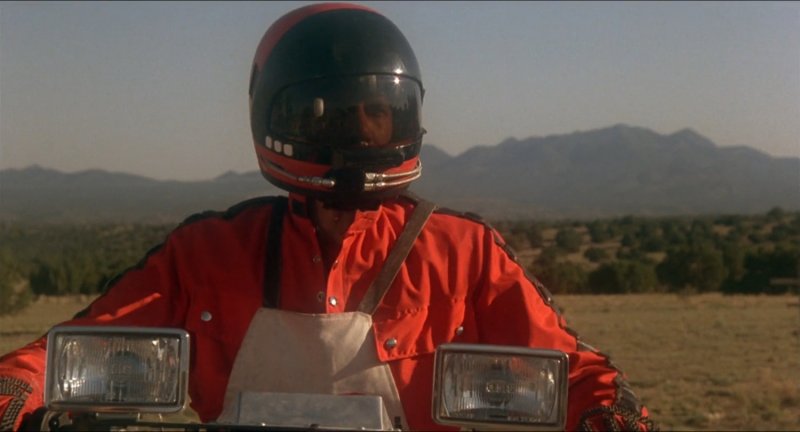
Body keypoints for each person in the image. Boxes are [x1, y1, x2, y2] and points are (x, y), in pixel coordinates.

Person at [0, 3, 657, 431]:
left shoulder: (463, 252)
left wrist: (610, 412)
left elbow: (573, 369)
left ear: (407, 117)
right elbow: (67, 351)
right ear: (280, 116)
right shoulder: (206, 252)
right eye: (333, 114)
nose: (360, 131)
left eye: (379, 113)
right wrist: (14, 387)